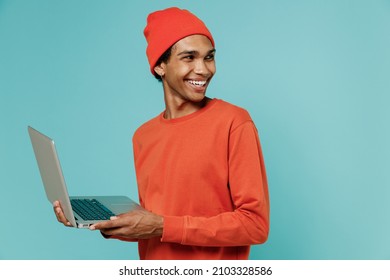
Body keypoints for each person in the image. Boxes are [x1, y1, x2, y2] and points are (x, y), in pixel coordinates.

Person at [53, 7, 270, 260]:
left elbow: (255, 225)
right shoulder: (143, 136)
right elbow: (154, 223)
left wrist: (161, 225)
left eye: (209, 57)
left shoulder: (234, 122)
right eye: (189, 57)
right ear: (160, 66)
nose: (204, 69)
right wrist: (106, 224)